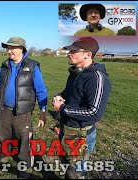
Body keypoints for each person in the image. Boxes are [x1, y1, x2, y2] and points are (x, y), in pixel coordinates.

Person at [0, 36, 48, 179]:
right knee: (4, 136)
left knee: (24, 141)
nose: (9, 51)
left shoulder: (32, 66)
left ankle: (24, 168)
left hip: (23, 112)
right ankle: (3, 158)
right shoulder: (5, 65)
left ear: (21, 48)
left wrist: (43, 111)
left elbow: (41, 90)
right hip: (4, 110)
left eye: (12, 48)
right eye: (8, 48)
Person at [52, 37, 112, 179]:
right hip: (66, 128)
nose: (68, 53)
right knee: (66, 164)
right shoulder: (75, 73)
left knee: (76, 171)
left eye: (73, 51)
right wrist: (60, 96)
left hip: (81, 135)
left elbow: (94, 112)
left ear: (87, 54)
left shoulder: (97, 78)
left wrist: (62, 108)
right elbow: (69, 93)